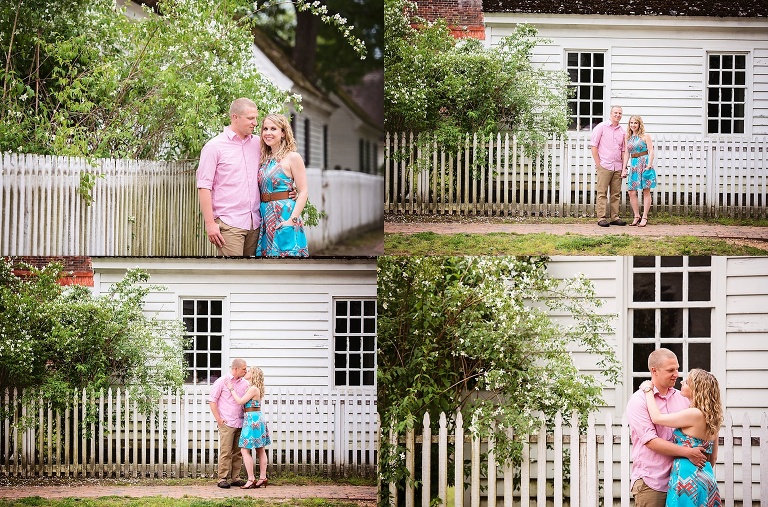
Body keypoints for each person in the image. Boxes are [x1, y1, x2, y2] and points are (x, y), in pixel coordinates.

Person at [626, 348, 708, 507]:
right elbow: (650, 441)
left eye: (677, 369)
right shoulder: (638, 401)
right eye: (670, 370)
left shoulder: (682, 398)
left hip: (683, 480)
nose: (676, 374)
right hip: (653, 482)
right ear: (654, 371)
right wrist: (688, 453)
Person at [640, 369, 723, 507]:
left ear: (696, 388)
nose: (682, 382)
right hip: (706, 477)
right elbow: (713, 458)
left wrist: (648, 390)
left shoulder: (694, 414)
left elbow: (657, 418)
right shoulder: (712, 418)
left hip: (686, 476)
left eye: (687, 381)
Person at [255, 113, 309, 257]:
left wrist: (292, 220)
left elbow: (303, 192)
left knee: (288, 261)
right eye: (265, 129)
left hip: (285, 215)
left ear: (283, 133)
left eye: (273, 129)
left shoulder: (293, 157)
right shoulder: (264, 159)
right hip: (264, 216)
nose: (268, 133)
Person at [226, 366, 272, 488]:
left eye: (249, 371)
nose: (247, 372)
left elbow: (240, 401)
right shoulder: (254, 388)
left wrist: (231, 389)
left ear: (254, 375)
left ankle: (251, 479)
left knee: (245, 449)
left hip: (252, 419)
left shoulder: (253, 389)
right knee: (260, 449)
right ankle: (262, 478)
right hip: (255, 417)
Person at [208, 358, 249, 488]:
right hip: (227, 422)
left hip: (241, 422)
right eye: (244, 368)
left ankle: (235, 477)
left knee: (238, 453)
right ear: (235, 368)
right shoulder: (221, 381)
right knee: (225, 452)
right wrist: (219, 419)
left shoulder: (245, 384)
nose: (246, 371)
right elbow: (212, 401)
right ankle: (222, 478)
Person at [590, 105, 628, 228]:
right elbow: (593, 145)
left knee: (615, 193)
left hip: (617, 166)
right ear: (611, 114)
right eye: (615, 113)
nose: (618, 115)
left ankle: (614, 217)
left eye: (620, 113)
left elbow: (623, 151)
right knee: (602, 192)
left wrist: (623, 167)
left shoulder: (622, 131)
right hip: (604, 165)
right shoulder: (601, 127)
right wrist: (598, 164)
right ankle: (601, 218)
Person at [622, 115, 657, 227]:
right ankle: (637, 215)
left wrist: (649, 165)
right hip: (633, 165)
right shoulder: (628, 137)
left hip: (644, 163)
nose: (633, 125)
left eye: (635, 123)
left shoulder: (645, 136)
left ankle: (645, 217)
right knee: (631, 191)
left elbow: (651, 151)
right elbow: (627, 153)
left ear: (639, 124)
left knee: (646, 191)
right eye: (631, 123)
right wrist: (624, 167)